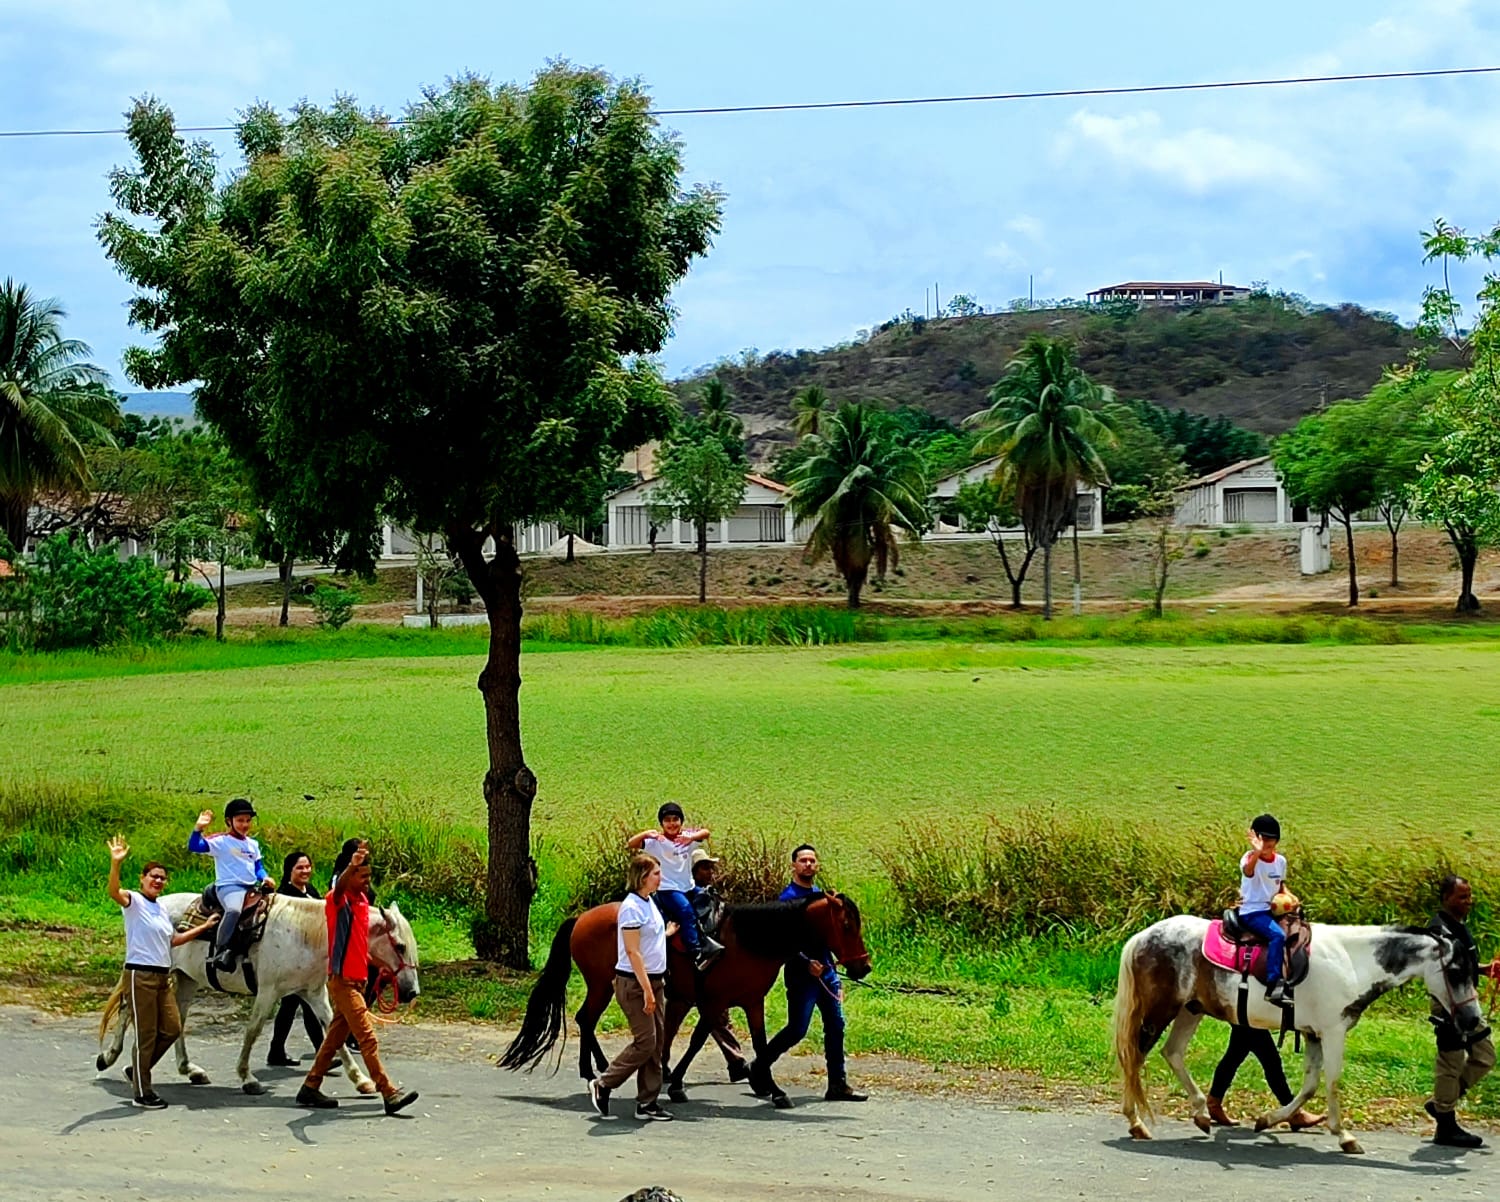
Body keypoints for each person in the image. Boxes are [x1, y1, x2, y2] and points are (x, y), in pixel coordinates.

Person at [295, 843, 418, 1115]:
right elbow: (339, 887)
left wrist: (385, 967)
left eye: (368, 876)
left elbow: (361, 945)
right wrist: (352, 865)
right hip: (342, 981)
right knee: (367, 1038)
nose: (367, 881)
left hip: (357, 981)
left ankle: (310, 1086)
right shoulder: (337, 900)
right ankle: (388, 1091)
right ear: (350, 876)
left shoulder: (363, 902)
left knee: (333, 1041)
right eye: (362, 876)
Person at [105, 835, 215, 1109]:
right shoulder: (134, 902)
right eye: (153, 876)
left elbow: (173, 940)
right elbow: (114, 891)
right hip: (140, 975)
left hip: (162, 977)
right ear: (142, 879)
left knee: (172, 1028)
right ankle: (142, 1093)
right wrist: (116, 863)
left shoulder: (160, 909)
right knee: (147, 1034)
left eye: (162, 878)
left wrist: (203, 928)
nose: (158, 881)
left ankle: (137, 1070)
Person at [759, 844, 866, 1102]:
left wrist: (836, 966)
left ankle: (837, 1084)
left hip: (826, 974)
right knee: (797, 1030)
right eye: (803, 860)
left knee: (836, 1026)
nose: (808, 864)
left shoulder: (822, 897)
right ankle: (759, 1066)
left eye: (812, 861)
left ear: (817, 866)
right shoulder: (787, 899)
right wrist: (806, 962)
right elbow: (781, 941)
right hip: (801, 976)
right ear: (793, 865)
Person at [588, 852, 675, 1121]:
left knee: (656, 1043)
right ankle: (604, 1084)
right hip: (635, 984)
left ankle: (647, 1103)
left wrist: (666, 934)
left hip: (655, 980)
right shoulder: (631, 908)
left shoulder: (649, 903)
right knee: (645, 1042)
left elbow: (648, 938)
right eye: (656, 873)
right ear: (643, 876)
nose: (660, 878)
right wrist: (647, 990)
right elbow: (632, 951)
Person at [1426, 875, 1499, 1148]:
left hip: (1467, 1003)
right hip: (1450, 1006)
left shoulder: (1458, 926)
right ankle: (1445, 1127)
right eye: (1462, 897)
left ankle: (1442, 1103)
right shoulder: (1439, 933)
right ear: (1446, 898)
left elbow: (1461, 964)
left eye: (1469, 896)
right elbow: (1443, 972)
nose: (1469, 901)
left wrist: (1482, 970)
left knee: (1485, 1056)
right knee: (1451, 1062)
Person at [627, 803, 723, 970]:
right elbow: (631, 843)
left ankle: (710, 937)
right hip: (668, 889)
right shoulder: (657, 842)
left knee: (711, 900)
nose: (672, 824)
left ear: (681, 821)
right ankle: (696, 952)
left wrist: (691, 838)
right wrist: (646, 833)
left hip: (688, 886)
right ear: (661, 824)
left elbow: (706, 833)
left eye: (675, 819)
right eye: (667, 820)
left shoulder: (687, 837)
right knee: (686, 911)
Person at [188, 798, 273, 974]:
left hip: (251, 888)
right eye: (240, 820)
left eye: (248, 820)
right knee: (234, 910)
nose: (245, 825)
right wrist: (198, 829)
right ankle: (220, 950)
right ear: (229, 821)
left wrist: (265, 878)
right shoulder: (221, 841)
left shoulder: (253, 844)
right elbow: (195, 846)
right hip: (229, 887)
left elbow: (258, 867)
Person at [687, 848, 749, 1081]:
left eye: (711, 867)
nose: (710, 872)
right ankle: (736, 1061)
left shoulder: (708, 893)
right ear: (693, 872)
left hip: (715, 963)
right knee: (714, 1013)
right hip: (699, 962)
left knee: (718, 1016)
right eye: (705, 868)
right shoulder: (693, 896)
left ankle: (736, 1062)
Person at [266, 850, 327, 1068]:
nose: (305, 871)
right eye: (300, 867)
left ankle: (276, 1051)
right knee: (309, 1004)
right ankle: (323, 1054)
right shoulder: (285, 896)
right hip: (292, 961)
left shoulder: (310, 891)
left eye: (307, 867)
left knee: (289, 1006)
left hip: (310, 960)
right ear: (289, 871)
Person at [1205, 1025, 1324, 1130]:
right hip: (1247, 1014)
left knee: (1237, 1053)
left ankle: (1213, 1103)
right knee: (1270, 1060)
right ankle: (1293, 1112)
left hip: (1245, 1013)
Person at [1237, 814, 1290, 1005]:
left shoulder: (1280, 861)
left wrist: (1291, 898)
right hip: (1252, 912)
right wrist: (1257, 852)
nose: (1266, 843)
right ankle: (1273, 984)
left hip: (1272, 910)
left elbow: (1281, 886)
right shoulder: (1249, 858)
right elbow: (1248, 871)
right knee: (1277, 936)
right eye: (1262, 838)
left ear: (1277, 841)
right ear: (1254, 838)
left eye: (1270, 839)